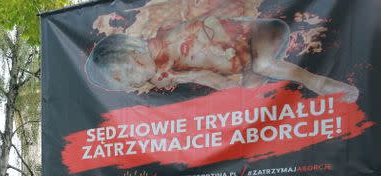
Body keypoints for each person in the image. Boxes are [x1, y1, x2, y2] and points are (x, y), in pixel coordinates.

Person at [85, 9, 358, 102]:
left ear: (131, 54)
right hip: (247, 65)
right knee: (250, 88)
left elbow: (221, 29)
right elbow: (229, 83)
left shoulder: (169, 35)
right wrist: (184, 76)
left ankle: (319, 83)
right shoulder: (170, 71)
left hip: (262, 35)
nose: (133, 86)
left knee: (263, 64)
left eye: (125, 78)